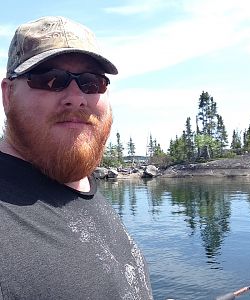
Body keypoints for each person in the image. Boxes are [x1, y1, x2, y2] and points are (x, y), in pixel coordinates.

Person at [0, 16, 153, 300]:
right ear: (8, 95)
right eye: (51, 79)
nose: (76, 97)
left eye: (91, 83)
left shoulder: (79, 183)